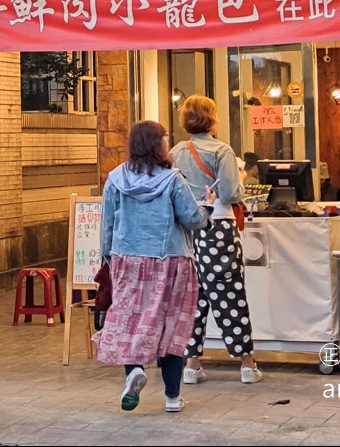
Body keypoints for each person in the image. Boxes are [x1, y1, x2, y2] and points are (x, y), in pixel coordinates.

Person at [93, 120, 214, 414]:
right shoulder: (172, 179)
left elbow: (106, 225)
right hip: (170, 262)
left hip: (127, 260)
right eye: (164, 137)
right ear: (157, 144)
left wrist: (108, 260)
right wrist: (207, 204)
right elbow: (193, 219)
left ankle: (134, 371)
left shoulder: (115, 178)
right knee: (171, 326)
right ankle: (172, 397)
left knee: (131, 322)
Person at [169, 95, 264, 386]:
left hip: (186, 229)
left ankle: (191, 364)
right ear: (212, 118)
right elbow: (231, 194)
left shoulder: (176, 151)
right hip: (218, 227)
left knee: (192, 296)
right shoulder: (222, 150)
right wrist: (242, 177)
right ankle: (247, 365)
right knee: (229, 293)